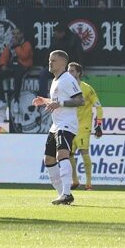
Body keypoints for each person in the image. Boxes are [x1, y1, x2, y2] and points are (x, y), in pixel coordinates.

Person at [32, 49, 85, 205]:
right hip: (56, 125)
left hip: (67, 124)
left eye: (54, 60)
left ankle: (67, 193)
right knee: (48, 159)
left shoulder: (68, 79)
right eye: (50, 59)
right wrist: (46, 101)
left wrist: (58, 103)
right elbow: (58, 101)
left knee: (62, 155)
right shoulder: (56, 80)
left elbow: (80, 101)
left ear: (63, 63)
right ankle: (62, 194)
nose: (50, 62)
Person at [67, 62, 104, 191]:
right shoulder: (67, 88)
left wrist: (98, 125)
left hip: (84, 126)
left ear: (79, 73)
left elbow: (98, 106)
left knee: (84, 152)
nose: (69, 73)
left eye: (72, 71)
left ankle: (88, 183)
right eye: (68, 71)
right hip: (70, 126)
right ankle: (75, 180)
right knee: (69, 154)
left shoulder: (87, 88)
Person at [0, 27, 35, 128]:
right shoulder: (10, 45)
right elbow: (4, 56)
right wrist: (3, 65)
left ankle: (16, 100)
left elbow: (24, 56)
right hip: (12, 66)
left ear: (22, 34)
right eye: (14, 34)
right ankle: (2, 100)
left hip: (23, 66)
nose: (15, 35)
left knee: (18, 76)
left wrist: (16, 46)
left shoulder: (26, 44)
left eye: (17, 33)